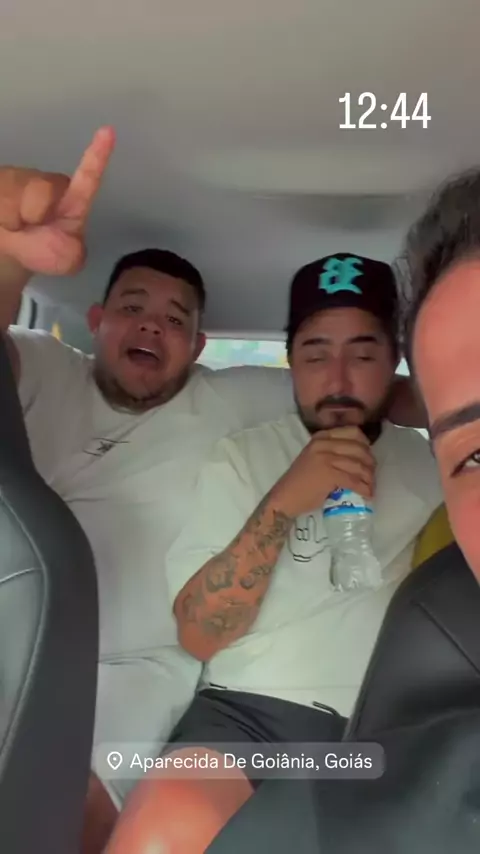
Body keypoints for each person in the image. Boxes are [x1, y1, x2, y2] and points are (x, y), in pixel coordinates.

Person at [105, 253, 443, 853]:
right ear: (290, 361)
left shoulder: (430, 466)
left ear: (394, 360)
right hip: (246, 720)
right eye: (315, 354)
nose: (338, 378)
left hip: (386, 731)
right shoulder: (241, 458)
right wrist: (284, 502)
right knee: (162, 830)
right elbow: (200, 636)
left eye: (363, 354)